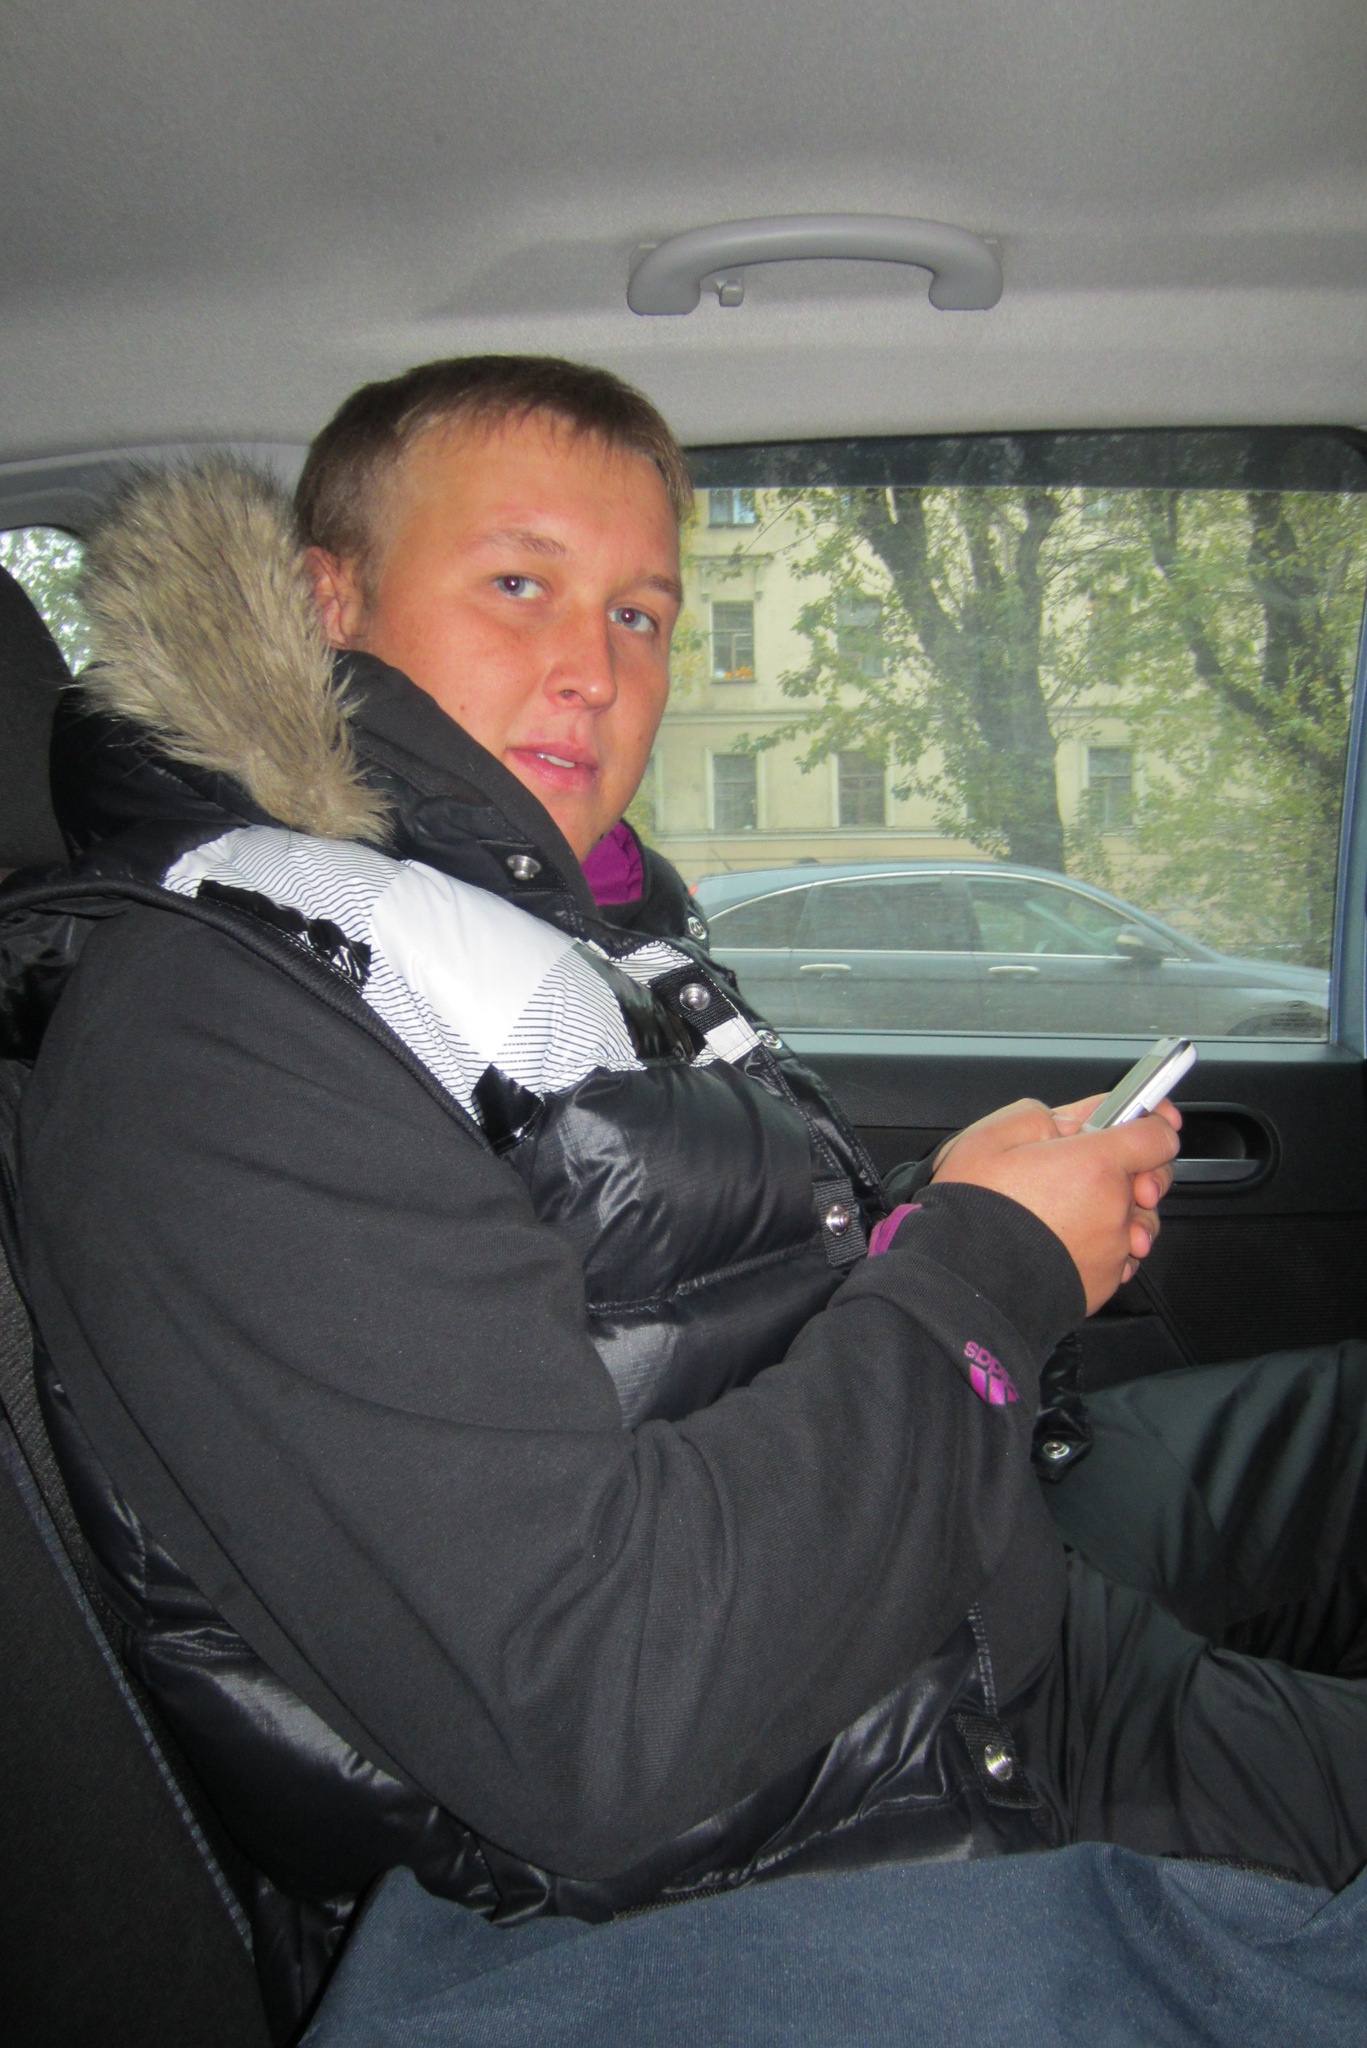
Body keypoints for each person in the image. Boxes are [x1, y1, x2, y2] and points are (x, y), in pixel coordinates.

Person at [3, 356, 1366, 2029]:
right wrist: (991, 1270)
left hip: (951, 1615)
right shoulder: (220, 1037)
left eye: (641, 613)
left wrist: (940, 1213)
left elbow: (677, 1306)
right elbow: (604, 1708)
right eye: (520, 585)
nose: (596, 670)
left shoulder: (537, 918)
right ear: (324, 602)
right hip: (886, 1818)